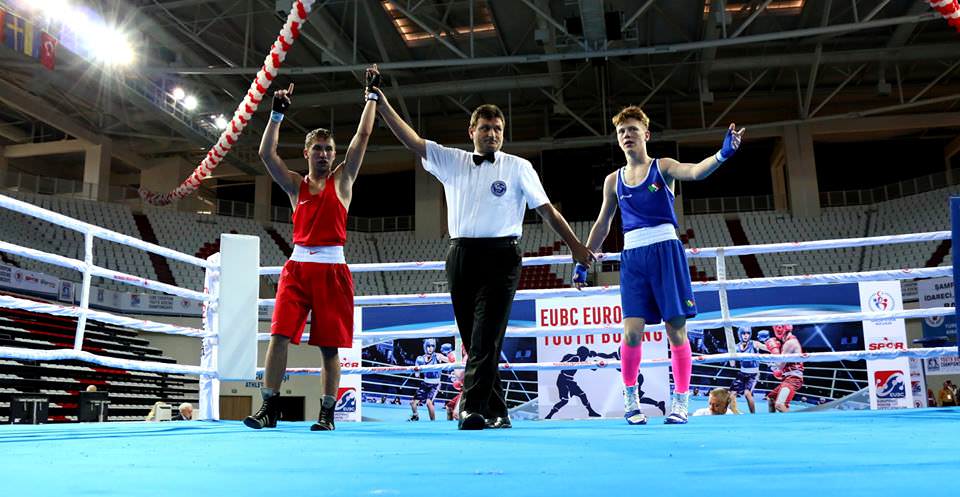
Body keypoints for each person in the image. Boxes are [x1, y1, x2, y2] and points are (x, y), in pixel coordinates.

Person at [371, 86, 593, 430]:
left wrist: (575, 245)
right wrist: (382, 103)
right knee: (476, 339)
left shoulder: (518, 167)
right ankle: (498, 410)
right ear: (471, 131)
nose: (492, 134)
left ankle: (471, 408)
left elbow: (547, 210)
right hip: (460, 255)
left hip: (502, 257)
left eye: (498, 128)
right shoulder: (453, 160)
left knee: (484, 337)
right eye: (486, 128)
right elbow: (412, 141)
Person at [575, 105, 744, 425]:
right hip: (633, 257)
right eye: (621, 131)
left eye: (633, 129)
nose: (627, 135)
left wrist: (722, 155)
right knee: (631, 333)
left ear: (646, 134)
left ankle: (680, 402)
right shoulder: (613, 181)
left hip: (666, 251)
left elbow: (695, 172)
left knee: (676, 331)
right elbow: (602, 225)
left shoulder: (662, 166)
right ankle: (631, 400)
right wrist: (585, 259)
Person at [243, 65, 380, 432]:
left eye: (328, 149)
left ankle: (327, 413)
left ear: (334, 154)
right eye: (317, 149)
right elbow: (266, 154)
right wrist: (276, 114)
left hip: (333, 270)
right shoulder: (294, 185)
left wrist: (371, 96)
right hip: (297, 268)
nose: (323, 154)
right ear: (306, 153)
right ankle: (268, 408)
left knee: (329, 348)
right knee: (278, 336)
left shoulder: (343, 180)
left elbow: (363, 135)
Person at [544, 346, 618, 419]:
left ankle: (591, 412)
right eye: (585, 356)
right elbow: (562, 363)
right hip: (563, 380)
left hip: (569, 380)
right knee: (565, 400)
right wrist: (591, 360)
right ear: (583, 354)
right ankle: (549, 415)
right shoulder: (575, 358)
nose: (586, 358)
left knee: (581, 395)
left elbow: (593, 368)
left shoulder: (578, 359)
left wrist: (594, 361)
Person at [764, 324, 804, 413]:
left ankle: (793, 422)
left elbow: (780, 365)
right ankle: (774, 419)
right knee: (771, 398)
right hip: (788, 377)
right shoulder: (788, 342)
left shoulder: (789, 343)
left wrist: (774, 352)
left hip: (793, 379)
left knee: (780, 405)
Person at [409, 338, 452, 421]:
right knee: (413, 403)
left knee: (429, 403)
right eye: (428, 346)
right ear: (425, 347)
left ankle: (433, 422)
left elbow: (451, 361)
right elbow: (417, 375)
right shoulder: (420, 358)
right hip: (425, 383)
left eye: (432, 346)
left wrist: (449, 354)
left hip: (435, 384)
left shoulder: (438, 356)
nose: (430, 348)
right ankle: (415, 416)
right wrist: (417, 369)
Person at [728, 327, 768, 414]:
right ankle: (733, 413)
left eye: (748, 333)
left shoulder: (754, 344)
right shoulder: (736, 347)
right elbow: (732, 364)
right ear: (740, 334)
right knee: (732, 394)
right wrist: (731, 353)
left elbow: (768, 348)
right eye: (744, 333)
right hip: (742, 372)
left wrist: (768, 342)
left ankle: (752, 414)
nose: (746, 335)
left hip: (753, 374)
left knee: (747, 393)